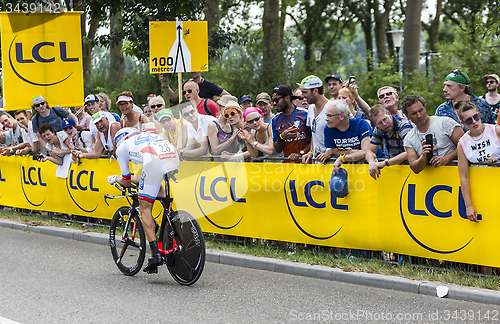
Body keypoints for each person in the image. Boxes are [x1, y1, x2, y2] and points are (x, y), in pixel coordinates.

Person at [109, 127, 180, 273]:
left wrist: (115, 178)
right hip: (172, 156)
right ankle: (173, 224)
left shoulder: (122, 147)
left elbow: (127, 182)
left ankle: (155, 255)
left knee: (144, 209)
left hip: (154, 160)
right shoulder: (145, 136)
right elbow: (146, 177)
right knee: (158, 188)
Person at [456, 100, 500, 223]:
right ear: (462, 122)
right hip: (481, 188)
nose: (474, 122)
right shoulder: (462, 143)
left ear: (479, 114)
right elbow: (463, 176)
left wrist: (498, 161)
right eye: (469, 120)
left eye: (476, 117)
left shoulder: (495, 131)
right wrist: (468, 205)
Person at [402, 94, 464, 174]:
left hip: (455, 174)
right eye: (414, 113)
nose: (419, 115)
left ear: (425, 108)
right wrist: (423, 156)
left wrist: (446, 159)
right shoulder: (409, 138)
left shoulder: (446, 122)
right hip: (431, 182)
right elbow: (415, 168)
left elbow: (465, 146)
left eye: (421, 110)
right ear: (407, 116)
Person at [317, 100, 379, 171]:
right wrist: (356, 152)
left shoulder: (361, 124)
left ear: (341, 116)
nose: (326, 119)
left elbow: (366, 152)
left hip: (374, 165)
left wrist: (343, 157)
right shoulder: (328, 128)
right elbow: (336, 152)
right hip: (352, 167)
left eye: (329, 116)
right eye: (326, 115)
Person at [365, 105, 413, 179]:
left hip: (412, 166)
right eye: (380, 123)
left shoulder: (403, 125)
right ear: (375, 125)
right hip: (396, 168)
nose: (384, 124)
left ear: (389, 114)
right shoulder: (378, 129)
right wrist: (371, 162)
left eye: (385, 119)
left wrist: (385, 163)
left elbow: (409, 152)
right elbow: (370, 151)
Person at [295, 75, 331, 164]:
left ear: (315, 91)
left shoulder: (332, 107)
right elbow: (314, 135)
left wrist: (330, 153)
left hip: (332, 162)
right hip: (317, 162)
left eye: (305, 92)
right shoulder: (310, 109)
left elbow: (343, 134)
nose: (302, 96)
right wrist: (311, 152)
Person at [271, 85, 311, 161]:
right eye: (273, 101)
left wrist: (300, 154)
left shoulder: (305, 114)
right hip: (288, 165)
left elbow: (314, 140)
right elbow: (278, 149)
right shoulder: (275, 120)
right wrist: (281, 138)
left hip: (306, 163)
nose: (274, 103)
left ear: (287, 98)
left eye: (277, 100)